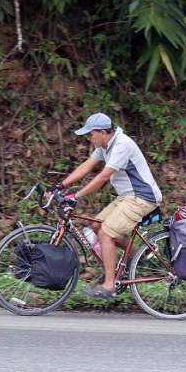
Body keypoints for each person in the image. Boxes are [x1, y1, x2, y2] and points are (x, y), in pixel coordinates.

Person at [58, 113, 163, 299]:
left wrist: (77, 195)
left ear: (103, 132)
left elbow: (103, 177)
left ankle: (109, 285)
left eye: (91, 134)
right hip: (127, 197)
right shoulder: (105, 145)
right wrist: (61, 185)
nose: (89, 138)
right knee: (96, 225)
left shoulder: (122, 144)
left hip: (142, 198)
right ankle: (136, 257)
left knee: (106, 233)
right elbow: (87, 166)